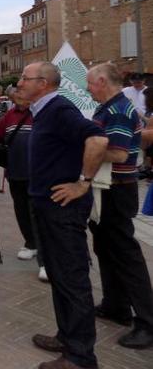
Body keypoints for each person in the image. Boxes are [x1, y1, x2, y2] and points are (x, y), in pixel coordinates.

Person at [17, 61, 108, 369]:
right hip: (46, 205)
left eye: (25, 78)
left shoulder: (59, 109)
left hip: (63, 210)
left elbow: (97, 139)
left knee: (72, 278)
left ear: (43, 83)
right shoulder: (44, 109)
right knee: (58, 275)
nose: (19, 82)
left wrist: (82, 183)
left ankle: (81, 357)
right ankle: (67, 338)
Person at [85, 63, 153, 350]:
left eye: (90, 83)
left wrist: (85, 148)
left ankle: (148, 322)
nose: (88, 89)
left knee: (126, 255)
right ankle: (116, 305)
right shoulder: (110, 108)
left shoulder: (117, 110)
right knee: (105, 247)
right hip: (108, 188)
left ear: (102, 81)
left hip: (117, 190)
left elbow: (118, 151)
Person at [0, 87, 46, 281]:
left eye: (19, 96)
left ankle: (45, 261)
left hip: (36, 174)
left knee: (37, 215)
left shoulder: (39, 112)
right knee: (21, 211)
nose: (16, 99)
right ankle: (30, 243)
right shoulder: (9, 115)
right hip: (15, 172)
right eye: (14, 97)